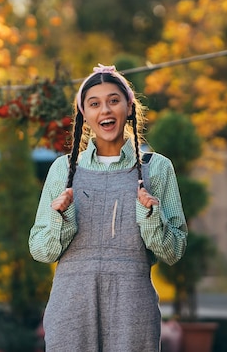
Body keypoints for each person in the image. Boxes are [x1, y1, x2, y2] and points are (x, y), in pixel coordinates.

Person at [28, 64, 188, 352]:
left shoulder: (157, 168)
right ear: (84, 114)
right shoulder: (63, 170)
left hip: (132, 306)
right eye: (94, 104)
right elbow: (40, 250)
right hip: (71, 307)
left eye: (114, 100)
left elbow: (174, 250)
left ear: (129, 107)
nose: (105, 110)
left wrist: (151, 216)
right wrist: (60, 218)